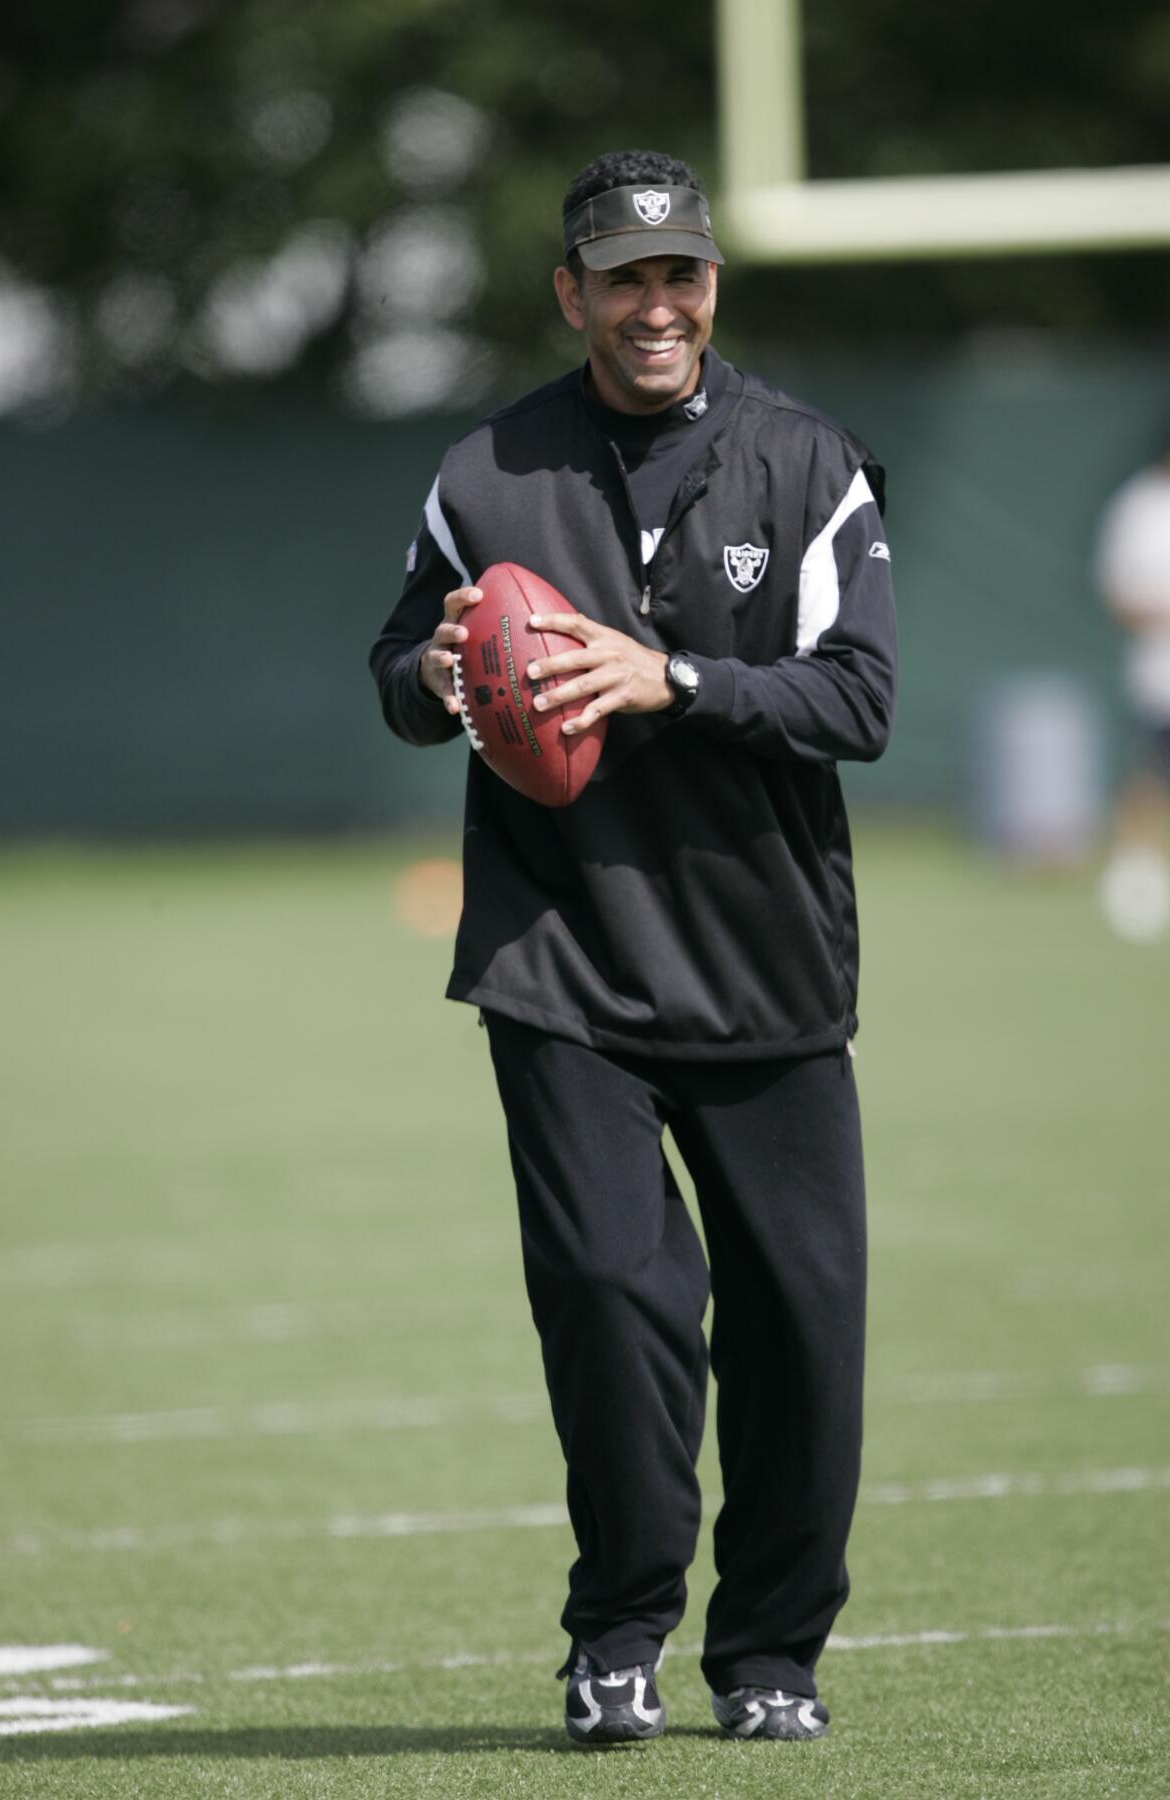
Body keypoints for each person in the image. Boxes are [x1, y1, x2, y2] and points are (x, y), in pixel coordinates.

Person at [370, 148, 897, 1746]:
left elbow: (862, 703)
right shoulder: (486, 472)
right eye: (625, 277)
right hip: (564, 957)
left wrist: (673, 681)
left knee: (802, 1325)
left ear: (711, 286)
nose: (656, 303)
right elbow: (400, 665)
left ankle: (773, 1657)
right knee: (609, 1288)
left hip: (766, 958)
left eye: (682, 275)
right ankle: (618, 1637)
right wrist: (446, 671)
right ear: (573, 293)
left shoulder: (810, 464)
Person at [1095, 430, 1170, 943]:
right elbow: (1121, 592)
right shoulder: (1140, 508)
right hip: (1160, 675)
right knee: (1152, 778)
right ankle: (1135, 880)